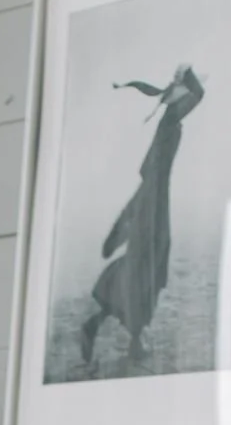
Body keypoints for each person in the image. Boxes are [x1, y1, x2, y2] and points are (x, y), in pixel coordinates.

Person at [80, 64, 205, 372]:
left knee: (145, 271)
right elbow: (198, 95)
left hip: (154, 201)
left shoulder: (168, 124)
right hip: (154, 203)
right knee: (146, 271)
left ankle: (110, 331)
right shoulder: (169, 123)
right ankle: (123, 337)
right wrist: (187, 77)